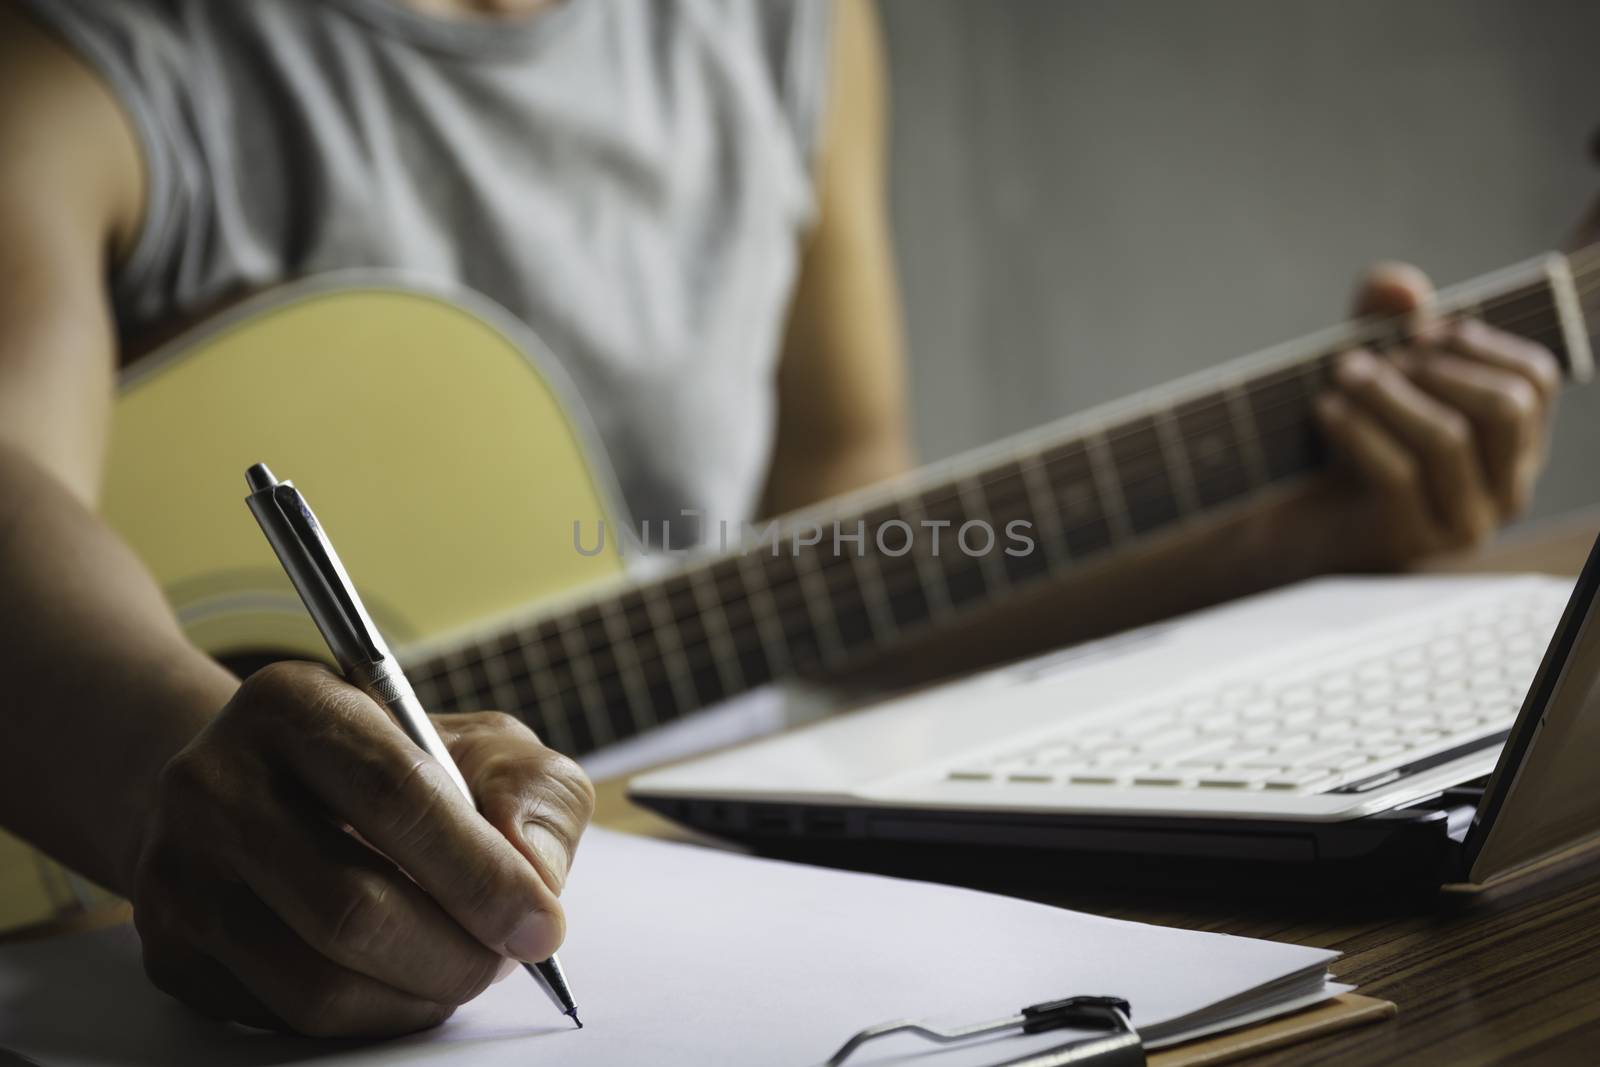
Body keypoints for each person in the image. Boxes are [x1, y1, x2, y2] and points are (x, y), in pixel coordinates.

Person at [0, 0, 1572, 1040]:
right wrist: (174, 780)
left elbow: (839, 535)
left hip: (664, 892)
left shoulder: (793, 24)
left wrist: (1289, 534)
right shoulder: (91, 52)